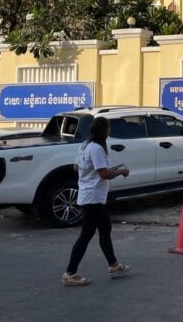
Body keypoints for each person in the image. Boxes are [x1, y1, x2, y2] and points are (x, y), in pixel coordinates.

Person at [62, 117, 131, 286]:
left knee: (104, 229)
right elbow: (104, 174)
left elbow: (76, 167)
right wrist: (121, 171)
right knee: (87, 235)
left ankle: (113, 264)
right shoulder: (97, 149)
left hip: (89, 195)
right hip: (93, 197)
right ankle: (70, 273)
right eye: (108, 129)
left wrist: (93, 172)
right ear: (103, 130)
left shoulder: (85, 145)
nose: (109, 132)